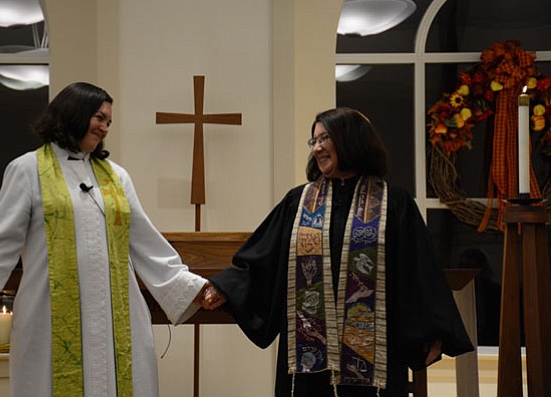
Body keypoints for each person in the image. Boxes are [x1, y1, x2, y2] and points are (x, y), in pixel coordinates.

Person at [0, 82, 211, 397]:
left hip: (116, 321)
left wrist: (193, 286)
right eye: (99, 117)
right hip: (50, 318)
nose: (104, 128)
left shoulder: (116, 177)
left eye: (108, 121)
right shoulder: (28, 170)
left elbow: (147, 244)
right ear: (74, 113)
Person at [202, 107, 473, 396]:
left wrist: (435, 331)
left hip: (376, 359)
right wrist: (228, 286)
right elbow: (263, 258)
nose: (317, 147)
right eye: (313, 141)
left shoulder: (393, 203)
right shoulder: (299, 202)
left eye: (324, 138)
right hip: (308, 368)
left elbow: (419, 271)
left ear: (351, 140)